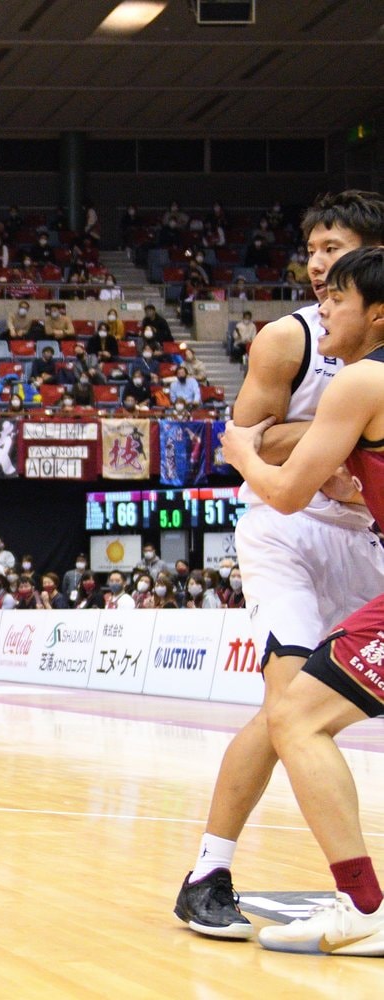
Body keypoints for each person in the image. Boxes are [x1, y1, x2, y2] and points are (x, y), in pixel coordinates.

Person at [174, 193, 384, 942]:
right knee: (289, 703)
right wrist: (324, 441)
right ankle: (209, 869)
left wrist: (335, 440)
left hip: (366, 531)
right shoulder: (287, 340)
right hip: (286, 529)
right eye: (315, 249)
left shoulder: (368, 343)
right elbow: (249, 443)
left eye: (338, 248)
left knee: (307, 713)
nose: (321, 264)